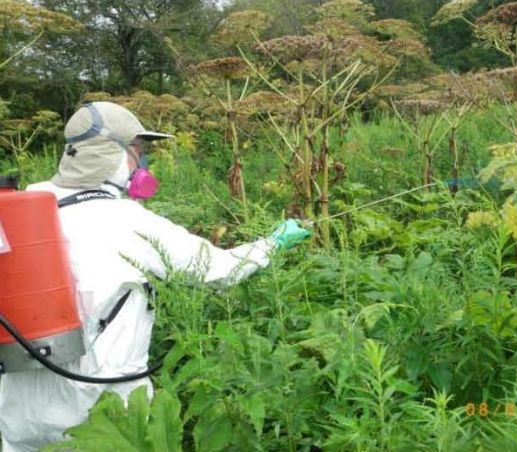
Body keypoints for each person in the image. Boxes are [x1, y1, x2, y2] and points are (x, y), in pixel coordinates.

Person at [0, 101, 311, 452]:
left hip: (19, 411)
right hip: (100, 406)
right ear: (114, 154)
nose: (142, 161)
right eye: (138, 150)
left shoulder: (22, 208)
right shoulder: (126, 220)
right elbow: (219, 270)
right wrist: (273, 243)